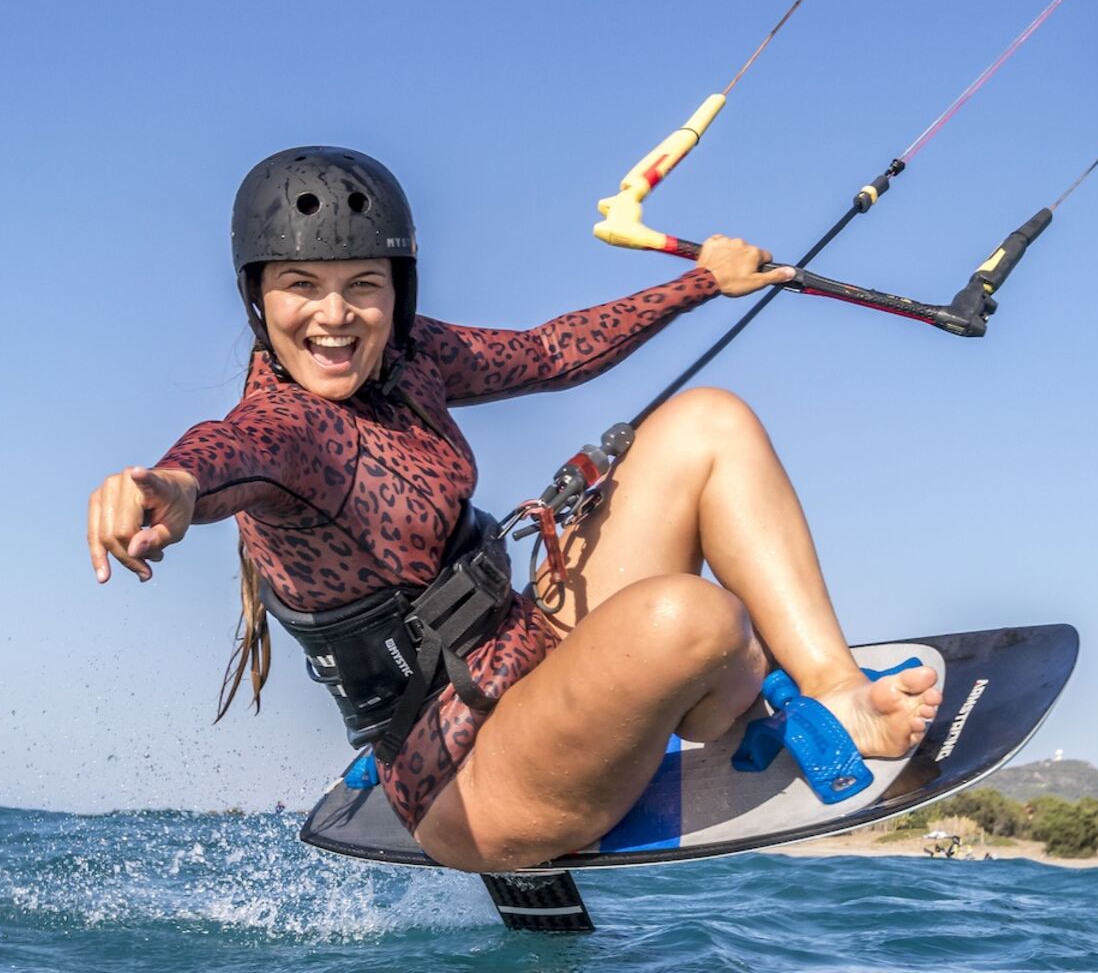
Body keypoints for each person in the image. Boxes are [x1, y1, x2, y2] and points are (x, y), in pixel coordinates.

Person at [86, 146, 942, 873]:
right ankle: (715, 685)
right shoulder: (283, 428)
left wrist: (698, 285)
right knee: (690, 618)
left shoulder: (411, 360)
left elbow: (546, 354)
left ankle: (837, 694)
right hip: (462, 773)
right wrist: (164, 488)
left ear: (399, 289)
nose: (336, 315)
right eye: (301, 285)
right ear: (258, 298)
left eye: (364, 285)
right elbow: (220, 458)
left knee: (708, 423)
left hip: (530, 649)